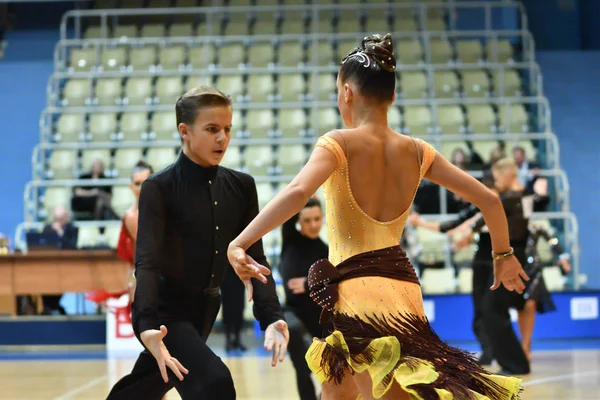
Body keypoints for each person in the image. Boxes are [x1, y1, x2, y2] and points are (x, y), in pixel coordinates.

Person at [227, 34, 526, 400]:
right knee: (337, 392)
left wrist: (240, 242)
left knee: (377, 393)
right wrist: (504, 256)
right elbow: (490, 200)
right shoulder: (419, 151)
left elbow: (296, 194)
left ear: (348, 92)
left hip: (358, 293)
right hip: (403, 290)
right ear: (393, 96)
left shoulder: (338, 142)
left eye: (338, 90)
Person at [106, 86, 289, 400]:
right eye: (212, 129)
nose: (223, 138)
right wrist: (147, 324)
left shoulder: (242, 186)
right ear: (184, 131)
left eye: (227, 129)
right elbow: (147, 261)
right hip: (166, 312)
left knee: (145, 386)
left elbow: (254, 256)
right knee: (214, 383)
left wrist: (272, 315)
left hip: (205, 308)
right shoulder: (158, 187)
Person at [280, 196, 329, 400]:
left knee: (331, 374)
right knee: (303, 369)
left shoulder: (326, 250)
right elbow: (286, 214)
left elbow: (334, 286)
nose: (313, 225)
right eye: (307, 220)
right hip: (295, 315)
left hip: (320, 318)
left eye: (317, 219)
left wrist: (309, 284)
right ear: (299, 221)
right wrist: (302, 196)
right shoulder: (291, 240)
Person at [41, 205, 78, 315]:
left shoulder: (72, 229)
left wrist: (61, 234)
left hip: (67, 266)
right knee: (44, 278)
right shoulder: (48, 229)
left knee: (62, 278)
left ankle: (53, 306)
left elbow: (73, 247)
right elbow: (42, 246)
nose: (58, 222)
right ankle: (51, 307)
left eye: (61, 219)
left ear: (66, 218)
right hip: (49, 267)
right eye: (56, 219)